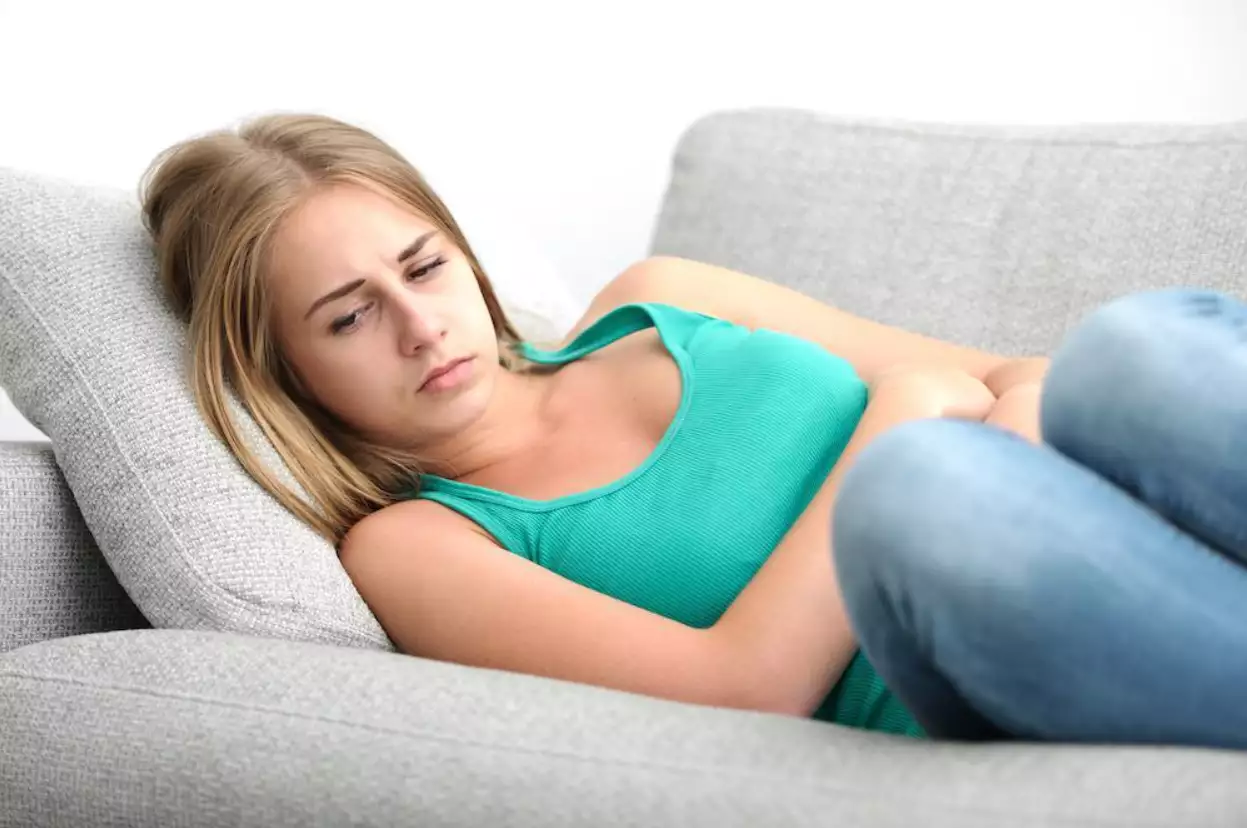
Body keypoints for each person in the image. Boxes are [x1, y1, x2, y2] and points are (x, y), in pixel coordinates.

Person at [136, 112, 1061, 740]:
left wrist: (1015, 459)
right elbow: (744, 688)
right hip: (1011, 659)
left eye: (423, 268)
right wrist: (908, 423)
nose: (421, 328)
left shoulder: (656, 301)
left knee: (1133, 358)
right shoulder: (414, 545)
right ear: (279, 372)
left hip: (1067, 504)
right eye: (349, 317)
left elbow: (1026, 376)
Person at [832, 288, 1247, 750]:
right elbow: (763, 693)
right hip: (994, 620)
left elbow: (1020, 376)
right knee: (908, 485)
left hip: (1092, 507)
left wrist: (1005, 435)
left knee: (1123, 351)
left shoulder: (754, 301)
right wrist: (909, 402)